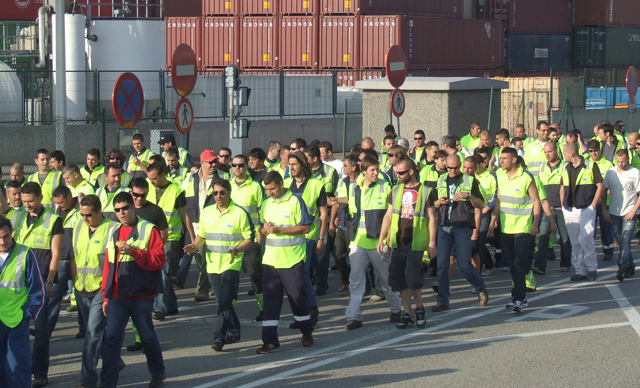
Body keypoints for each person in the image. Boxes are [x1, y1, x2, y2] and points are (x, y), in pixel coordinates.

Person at [100, 192, 166, 388]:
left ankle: (157, 372)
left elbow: (159, 261)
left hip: (140, 294)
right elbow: (108, 265)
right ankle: (107, 382)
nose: (121, 212)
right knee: (112, 337)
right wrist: (105, 294)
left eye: (125, 208)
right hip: (117, 296)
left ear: (133, 207)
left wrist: (134, 252)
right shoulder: (113, 231)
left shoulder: (148, 229)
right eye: (117, 210)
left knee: (146, 336)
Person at [184, 179, 253, 351]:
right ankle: (235, 329)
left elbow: (249, 239)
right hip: (213, 264)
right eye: (215, 193)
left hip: (232, 263)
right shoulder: (207, 212)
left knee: (224, 301)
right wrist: (195, 246)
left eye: (222, 192)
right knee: (224, 302)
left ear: (229, 192)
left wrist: (237, 249)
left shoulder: (239, 213)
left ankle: (219, 337)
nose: (218, 196)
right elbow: (202, 236)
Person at [258, 171, 314, 353]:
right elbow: (262, 231)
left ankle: (306, 331)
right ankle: (270, 340)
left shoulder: (296, 201)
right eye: (267, 190)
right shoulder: (266, 203)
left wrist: (279, 229)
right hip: (270, 260)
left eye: (272, 188)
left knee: (297, 298)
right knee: (270, 302)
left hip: (292, 259)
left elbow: (305, 227)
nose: (270, 193)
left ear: (281, 184)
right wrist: (265, 231)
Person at [343, 156, 402, 330]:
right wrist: (350, 240)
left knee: (386, 278)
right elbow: (352, 217)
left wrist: (388, 237)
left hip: (379, 241)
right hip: (359, 241)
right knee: (355, 279)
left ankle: (396, 309)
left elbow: (392, 215)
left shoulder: (385, 187)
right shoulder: (355, 189)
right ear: (364, 172)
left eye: (377, 169)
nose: (376, 173)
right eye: (372, 170)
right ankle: (354, 316)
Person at [14, 182, 63, 387]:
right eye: (24, 202)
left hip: (41, 281)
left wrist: (50, 280)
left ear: (40, 197)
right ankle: (21, 370)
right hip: (18, 282)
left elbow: (56, 253)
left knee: (41, 331)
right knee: (17, 329)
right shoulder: (15, 217)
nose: (28, 205)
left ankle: (40, 373)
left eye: (31, 201)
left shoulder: (53, 219)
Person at [378, 158, 437, 329]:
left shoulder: (426, 191)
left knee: (412, 279)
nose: (398, 175)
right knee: (400, 281)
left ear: (411, 171)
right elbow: (388, 215)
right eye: (396, 172)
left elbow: (432, 218)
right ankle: (407, 313)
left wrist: (432, 243)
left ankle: (419, 307)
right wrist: (382, 238)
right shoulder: (396, 190)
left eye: (401, 172)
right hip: (398, 241)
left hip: (416, 242)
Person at [69, 195, 118, 388]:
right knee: (97, 333)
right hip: (81, 287)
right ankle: (116, 362)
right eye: (82, 214)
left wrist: (108, 292)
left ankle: (87, 379)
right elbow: (73, 255)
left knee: (92, 333)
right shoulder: (79, 226)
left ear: (99, 211)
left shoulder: (113, 229)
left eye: (89, 215)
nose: (85, 218)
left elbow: (114, 264)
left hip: (101, 288)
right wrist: (74, 280)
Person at [432, 155, 489, 312]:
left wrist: (468, 196)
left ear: (460, 166)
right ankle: (442, 300)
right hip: (444, 225)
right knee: (442, 264)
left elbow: (481, 203)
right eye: (449, 168)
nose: (452, 171)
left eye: (455, 168)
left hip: (462, 226)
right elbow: (432, 203)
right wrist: (437, 203)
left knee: (464, 264)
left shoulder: (469, 180)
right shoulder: (441, 179)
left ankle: (480, 288)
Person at [489, 147, 540, 313]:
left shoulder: (526, 177)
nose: (501, 161)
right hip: (506, 227)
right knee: (511, 264)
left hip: (523, 227)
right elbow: (499, 200)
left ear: (514, 160)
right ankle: (520, 296)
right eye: (500, 158)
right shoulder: (501, 176)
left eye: (504, 158)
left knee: (519, 263)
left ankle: (519, 298)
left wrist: (535, 223)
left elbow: (536, 201)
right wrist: (493, 221)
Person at [0, 216, 45, 388]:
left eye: (5, 236)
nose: (2, 241)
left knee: (18, 369)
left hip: (16, 320)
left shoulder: (25, 253)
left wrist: (27, 314)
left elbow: (38, 290)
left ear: (12, 234)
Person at [146, 163, 195, 321]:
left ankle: (160, 307)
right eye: (149, 179)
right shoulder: (148, 188)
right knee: (161, 273)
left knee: (163, 273)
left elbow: (186, 216)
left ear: (162, 175)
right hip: (152, 238)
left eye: (154, 178)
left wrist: (193, 239)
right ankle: (172, 304)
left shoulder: (176, 191)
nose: (151, 182)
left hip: (171, 238)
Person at [178, 151, 226, 303]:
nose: (213, 165)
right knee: (198, 256)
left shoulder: (222, 178)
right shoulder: (190, 178)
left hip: (212, 223)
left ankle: (202, 290)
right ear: (202, 163)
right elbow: (182, 201)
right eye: (210, 162)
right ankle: (211, 283)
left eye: (215, 162)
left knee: (206, 256)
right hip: (193, 223)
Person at [284, 152, 325, 328]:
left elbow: (323, 214)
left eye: (294, 164)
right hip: (289, 236)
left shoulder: (316, 185)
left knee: (302, 273)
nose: (291, 168)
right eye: (289, 164)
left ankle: (311, 309)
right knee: (293, 276)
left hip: (308, 235)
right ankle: (300, 314)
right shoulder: (285, 184)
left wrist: (321, 238)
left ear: (303, 164)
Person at [560, 143, 604, 282]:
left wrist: (593, 205)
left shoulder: (590, 166)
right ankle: (580, 270)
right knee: (575, 242)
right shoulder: (565, 168)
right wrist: (563, 205)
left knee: (585, 237)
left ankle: (592, 268)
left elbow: (600, 186)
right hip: (569, 209)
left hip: (586, 208)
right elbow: (562, 187)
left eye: (565, 153)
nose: (564, 156)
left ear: (571, 154)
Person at [229, 155, 265, 321]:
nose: (237, 168)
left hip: (250, 239)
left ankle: (263, 307)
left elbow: (262, 211)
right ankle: (230, 313)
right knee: (231, 278)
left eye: (241, 165)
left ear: (246, 167)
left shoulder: (256, 187)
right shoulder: (227, 186)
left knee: (254, 275)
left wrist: (260, 234)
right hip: (231, 240)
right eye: (234, 165)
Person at [49, 186, 84, 338]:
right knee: (53, 297)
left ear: (70, 197)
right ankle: (45, 329)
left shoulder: (81, 210)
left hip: (78, 260)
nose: (59, 206)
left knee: (82, 297)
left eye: (61, 202)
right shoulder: (55, 213)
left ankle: (85, 329)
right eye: (57, 203)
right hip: (61, 260)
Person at [305, 145, 339, 297]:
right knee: (308, 253)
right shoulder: (304, 173)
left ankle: (321, 284)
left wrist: (334, 219)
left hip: (325, 217)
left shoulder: (330, 172)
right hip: (308, 219)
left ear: (314, 158)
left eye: (306, 158)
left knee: (322, 253)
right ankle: (311, 275)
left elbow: (337, 195)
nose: (304, 161)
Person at [534, 142, 572, 273]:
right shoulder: (542, 167)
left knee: (565, 237)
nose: (547, 154)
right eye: (545, 152)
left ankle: (565, 264)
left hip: (561, 208)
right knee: (543, 237)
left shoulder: (566, 166)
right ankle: (540, 266)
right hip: (547, 209)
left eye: (549, 152)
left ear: (556, 151)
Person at [602, 150, 640, 282]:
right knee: (620, 240)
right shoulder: (611, 172)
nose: (621, 164)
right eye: (618, 162)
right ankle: (630, 266)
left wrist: (634, 210)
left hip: (630, 212)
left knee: (625, 240)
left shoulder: (635, 173)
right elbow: (604, 191)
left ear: (627, 159)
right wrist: (604, 210)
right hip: (614, 212)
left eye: (623, 161)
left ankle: (622, 269)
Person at [331, 154, 359, 296]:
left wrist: (339, 200)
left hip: (355, 224)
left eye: (346, 165)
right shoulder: (342, 181)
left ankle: (361, 282)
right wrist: (332, 220)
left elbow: (349, 200)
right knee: (338, 254)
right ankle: (345, 280)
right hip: (341, 223)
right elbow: (336, 202)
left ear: (353, 168)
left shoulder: (362, 182)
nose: (343, 167)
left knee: (354, 256)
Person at [586, 139, 615, 261]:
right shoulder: (586, 164)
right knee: (590, 229)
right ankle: (590, 252)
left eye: (596, 150)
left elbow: (612, 184)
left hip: (605, 202)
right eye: (591, 151)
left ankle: (608, 250)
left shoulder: (608, 164)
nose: (593, 154)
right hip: (591, 202)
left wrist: (607, 192)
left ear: (600, 150)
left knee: (606, 227)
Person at [474, 149, 498, 276]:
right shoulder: (470, 176)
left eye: (474, 166)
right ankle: (489, 264)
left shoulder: (490, 177)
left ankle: (479, 269)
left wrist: (488, 207)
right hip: (472, 213)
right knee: (476, 241)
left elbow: (496, 196)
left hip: (485, 212)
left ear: (481, 164)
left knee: (481, 239)